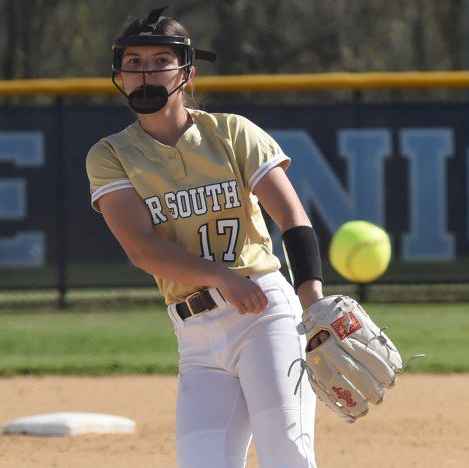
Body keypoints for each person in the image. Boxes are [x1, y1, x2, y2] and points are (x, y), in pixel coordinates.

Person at [86, 6, 325, 467]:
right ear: (119, 73)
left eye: (160, 61)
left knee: (287, 455)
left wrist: (312, 301)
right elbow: (142, 249)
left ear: (187, 73)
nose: (144, 72)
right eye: (132, 62)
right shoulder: (110, 154)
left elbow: (292, 218)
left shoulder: (233, 133)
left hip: (264, 314)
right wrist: (219, 276)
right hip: (194, 333)